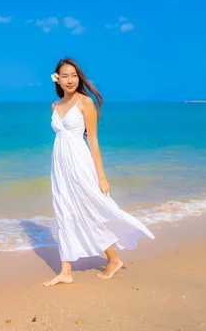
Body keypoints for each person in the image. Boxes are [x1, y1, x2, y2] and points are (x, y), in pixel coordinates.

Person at [43, 57, 155, 286]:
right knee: (64, 211)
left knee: (92, 208)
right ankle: (66, 271)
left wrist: (102, 177)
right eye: (65, 76)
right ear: (58, 79)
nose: (70, 80)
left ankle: (113, 259)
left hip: (80, 164)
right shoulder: (55, 106)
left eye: (74, 75)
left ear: (79, 77)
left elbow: (93, 141)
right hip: (60, 167)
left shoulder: (85, 103)